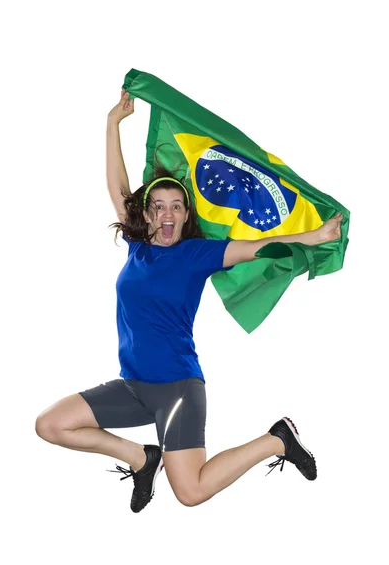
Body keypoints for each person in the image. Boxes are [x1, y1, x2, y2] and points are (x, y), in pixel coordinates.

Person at [35, 89, 343, 513]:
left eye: (176, 206)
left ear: (184, 215)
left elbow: (261, 244)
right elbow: (118, 186)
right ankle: (142, 458)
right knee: (50, 425)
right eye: (158, 205)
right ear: (146, 214)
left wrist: (314, 236)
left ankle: (278, 439)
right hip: (132, 386)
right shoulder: (138, 248)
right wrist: (112, 124)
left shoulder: (196, 255)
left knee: (190, 492)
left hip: (176, 388)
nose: (167, 213)